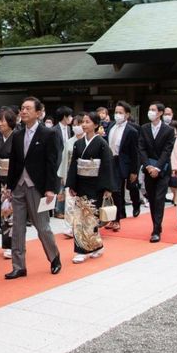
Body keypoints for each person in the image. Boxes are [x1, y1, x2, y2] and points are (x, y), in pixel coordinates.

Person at [5, 97, 61, 279]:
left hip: (38, 186)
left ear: (38, 113)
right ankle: (19, 266)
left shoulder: (48, 134)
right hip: (19, 186)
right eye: (22, 108)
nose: (24, 111)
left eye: (28, 108)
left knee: (42, 226)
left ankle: (54, 257)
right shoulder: (17, 135)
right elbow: (14, 162)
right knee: (17, 227)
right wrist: (10, 186)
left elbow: (52, 163)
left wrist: (51, 188)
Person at [66, 112, 114, 263]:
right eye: (83, 122)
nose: (84, 125)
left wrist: (107, 187)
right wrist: (71, 184)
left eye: (87, 122)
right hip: (81, 184)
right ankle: (92, 247)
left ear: (96, 124)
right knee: (79, 218)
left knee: (91, 218)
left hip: (95, 185)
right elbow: (73, 164)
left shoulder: (101, 143)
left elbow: (107, 165)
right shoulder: (78, 143)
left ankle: (86, 250)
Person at [138, 101, 175, 243]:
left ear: (160, 113)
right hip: (148, 169)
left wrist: (157, 167)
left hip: (162, 170)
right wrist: (148, 166)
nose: (150, 112)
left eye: (153, 110)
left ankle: (156, 229)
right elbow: (141, 148)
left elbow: (167, 150)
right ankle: (156, 224)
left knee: (159, 199)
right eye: (149, 109)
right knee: (152, 199)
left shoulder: (168, 130)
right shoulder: (144, 128)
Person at [106, 101, 140, 230]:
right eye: (116, 112)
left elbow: (134, 152)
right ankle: (113, 216)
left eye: (120, 112)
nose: (117, 115)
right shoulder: (111, 126)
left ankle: (116, 219)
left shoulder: (131, 131)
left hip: (121, 163)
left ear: (127, 115)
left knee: (117, 190)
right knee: (110, 190)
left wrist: (134, 171)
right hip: (109, 161)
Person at [0, 108, 17, 259]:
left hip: (14, 182)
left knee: (12, 214)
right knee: (5, 214)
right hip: (2, 182)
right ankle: (9, 245)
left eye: (3, 121)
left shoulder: (17, 138)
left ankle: (14, 245)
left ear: (11, 122)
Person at [57, 113, 85, 238]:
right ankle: (68, 228)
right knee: (69, 203)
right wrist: (63, 176)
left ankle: (80, 226)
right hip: (70, 175)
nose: (75, 127)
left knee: (82, 203)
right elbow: (64, 160)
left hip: (83, 175)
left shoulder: (87, 141)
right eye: (74, 125)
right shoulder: (69, 142)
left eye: (78, 124)